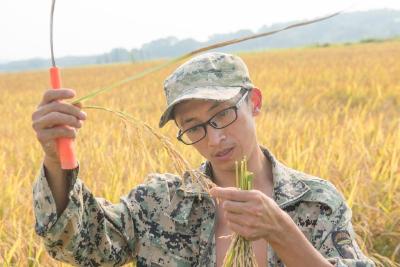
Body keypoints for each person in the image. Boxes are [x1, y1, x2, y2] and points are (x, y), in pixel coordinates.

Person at [31, 52, 375, 267]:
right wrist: (53, 154)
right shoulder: (161, 203)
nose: (214, 139)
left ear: (253, 101)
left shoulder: (316, 203)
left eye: (223, 114)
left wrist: (282, 232)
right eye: (193, 128)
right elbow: (82, 246)